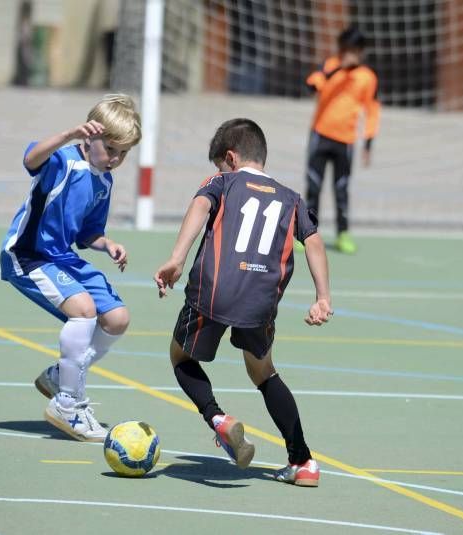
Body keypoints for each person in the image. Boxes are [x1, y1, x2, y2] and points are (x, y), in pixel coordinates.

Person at [154, 118, 332, 487]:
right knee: (263, 372)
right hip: (260, 300)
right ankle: (303, 462)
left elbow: (201, 206)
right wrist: (323, 297)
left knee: (180, 356)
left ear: (231, 159)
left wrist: (176, 257)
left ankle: (218, 419)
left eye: (219, 165)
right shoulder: (291, 198)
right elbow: (313, 241)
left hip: (215, 289)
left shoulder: (221, 183)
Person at [0, 94, 142, 442]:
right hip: (29, 254)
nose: (116, 159)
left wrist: (107, 244)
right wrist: (67, 134)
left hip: (63, 256)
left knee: (117, 318)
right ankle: (67, 402)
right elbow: (30, 158)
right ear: (89, 137)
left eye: (123, 153)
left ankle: (56, 377)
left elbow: (88, 233)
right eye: (111, 149)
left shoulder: (104, 181)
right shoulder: (61, 161)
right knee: (84, 310)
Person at [302, 26, 380, 254]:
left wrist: (368, 143)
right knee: (314, 186)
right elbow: (311, 85)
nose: (349, 55)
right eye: (345, 50)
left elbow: (372, 111)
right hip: (320, 135)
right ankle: (305, 233)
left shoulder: (367, 77)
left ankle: (343, 233)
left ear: (361, 52)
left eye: (354, 51)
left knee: (341, 188)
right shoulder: (329, 66)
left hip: (344, 141)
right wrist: (335, 71)